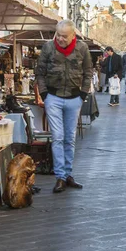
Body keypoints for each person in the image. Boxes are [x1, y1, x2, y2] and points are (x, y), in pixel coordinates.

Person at [36, 20, 93, 193]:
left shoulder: (82, 48)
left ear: (73, 35)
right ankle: (60, 176)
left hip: (74, 98)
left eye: (64, 36)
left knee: (69, 137)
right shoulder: (48, 48)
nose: (60, 39)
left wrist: (83, 94)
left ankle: (68, 174)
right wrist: (45, 95)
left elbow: (88, 72)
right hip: (53, 97)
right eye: (58, 35)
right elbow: (40, 72)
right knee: (58, 137)